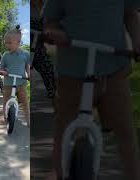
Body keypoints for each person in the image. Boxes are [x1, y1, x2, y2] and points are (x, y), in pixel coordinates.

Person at [43, 0, 140, 179]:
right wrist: (53, 32)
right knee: (63, 130)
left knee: (126, 132)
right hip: (72, 70)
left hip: (113, 68)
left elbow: (130, 14)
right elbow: (50, 20)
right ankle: (58, 172)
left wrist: (137, 41)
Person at [0, 25, 31, 127]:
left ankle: (29, 120)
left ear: (18, 42)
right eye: (6, 43)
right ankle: (5, 116)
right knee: (5, 100)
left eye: (9, 43)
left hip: (21, 83)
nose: (7, 45)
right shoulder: (5, 55)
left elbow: (27, 65)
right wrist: (3, 72)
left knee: (25, 103)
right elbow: (2, 68)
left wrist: (29, 74)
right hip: (8, 83)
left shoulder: (25, 54)